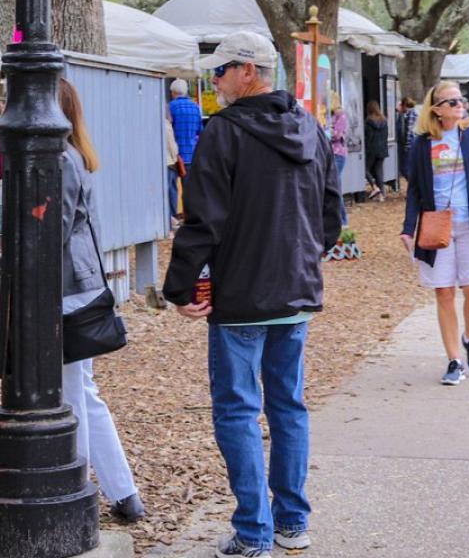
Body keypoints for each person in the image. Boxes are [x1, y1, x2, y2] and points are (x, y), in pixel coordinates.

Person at [163, 31, 341, 558]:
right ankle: (291, 523)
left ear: (246, 70)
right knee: (287, 407)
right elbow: (332, 210)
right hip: (296, 290)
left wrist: (180, 285)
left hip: (242, 293)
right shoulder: (308, 126)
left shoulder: (225, 132)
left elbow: (203, 218)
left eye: (218, 73)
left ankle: (253, 532)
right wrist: (308, 255)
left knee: (239, 411)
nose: (213, 83)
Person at [57, 78, 146, 525]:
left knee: (74, 393)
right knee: (81, 392)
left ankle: (78, 491)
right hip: (77, 284)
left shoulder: (61, 160)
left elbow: (53, 230)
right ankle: (121, 491)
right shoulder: (73, 155)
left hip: (66, 287)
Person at [401, 82, 469, 385]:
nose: (460, 105)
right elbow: (416, 191)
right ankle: (454, 361)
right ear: (436, 109)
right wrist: (408, 228)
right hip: (437, 226)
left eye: (462, 100)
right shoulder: (422, 144)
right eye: (452, 101)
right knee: (444, 292)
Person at [169, 78, 203, 172]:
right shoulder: (196, 107)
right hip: (192, 154)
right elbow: (200, 131)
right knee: (189, 185)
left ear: (174, 92)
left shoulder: (171, 106)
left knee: (173, 186)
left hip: (175, 156)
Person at [330, 93, 349, 223]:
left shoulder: (340, 115)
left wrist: (328, 130)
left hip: (338, 153)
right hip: (330, 153)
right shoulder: (328, 115)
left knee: (335, 186)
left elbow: (337, 135)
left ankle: (343, 220)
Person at [364, 100, 389, 201]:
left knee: (364, 169)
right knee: (379, 171)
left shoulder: (368, 121)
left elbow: (368, 137)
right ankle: (381, 194)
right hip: (382, 149)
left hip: (372, 150)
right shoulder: (384, 120)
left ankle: (375, 187)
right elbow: (386, 135)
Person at [395, 98, 417, 194]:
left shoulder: (411, 114)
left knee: (405, 169)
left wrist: (407, 145)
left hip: (409, 146)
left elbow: (409, 131)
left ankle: (415, 187)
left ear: (404, 105)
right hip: (411, 146)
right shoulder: (408, 114)